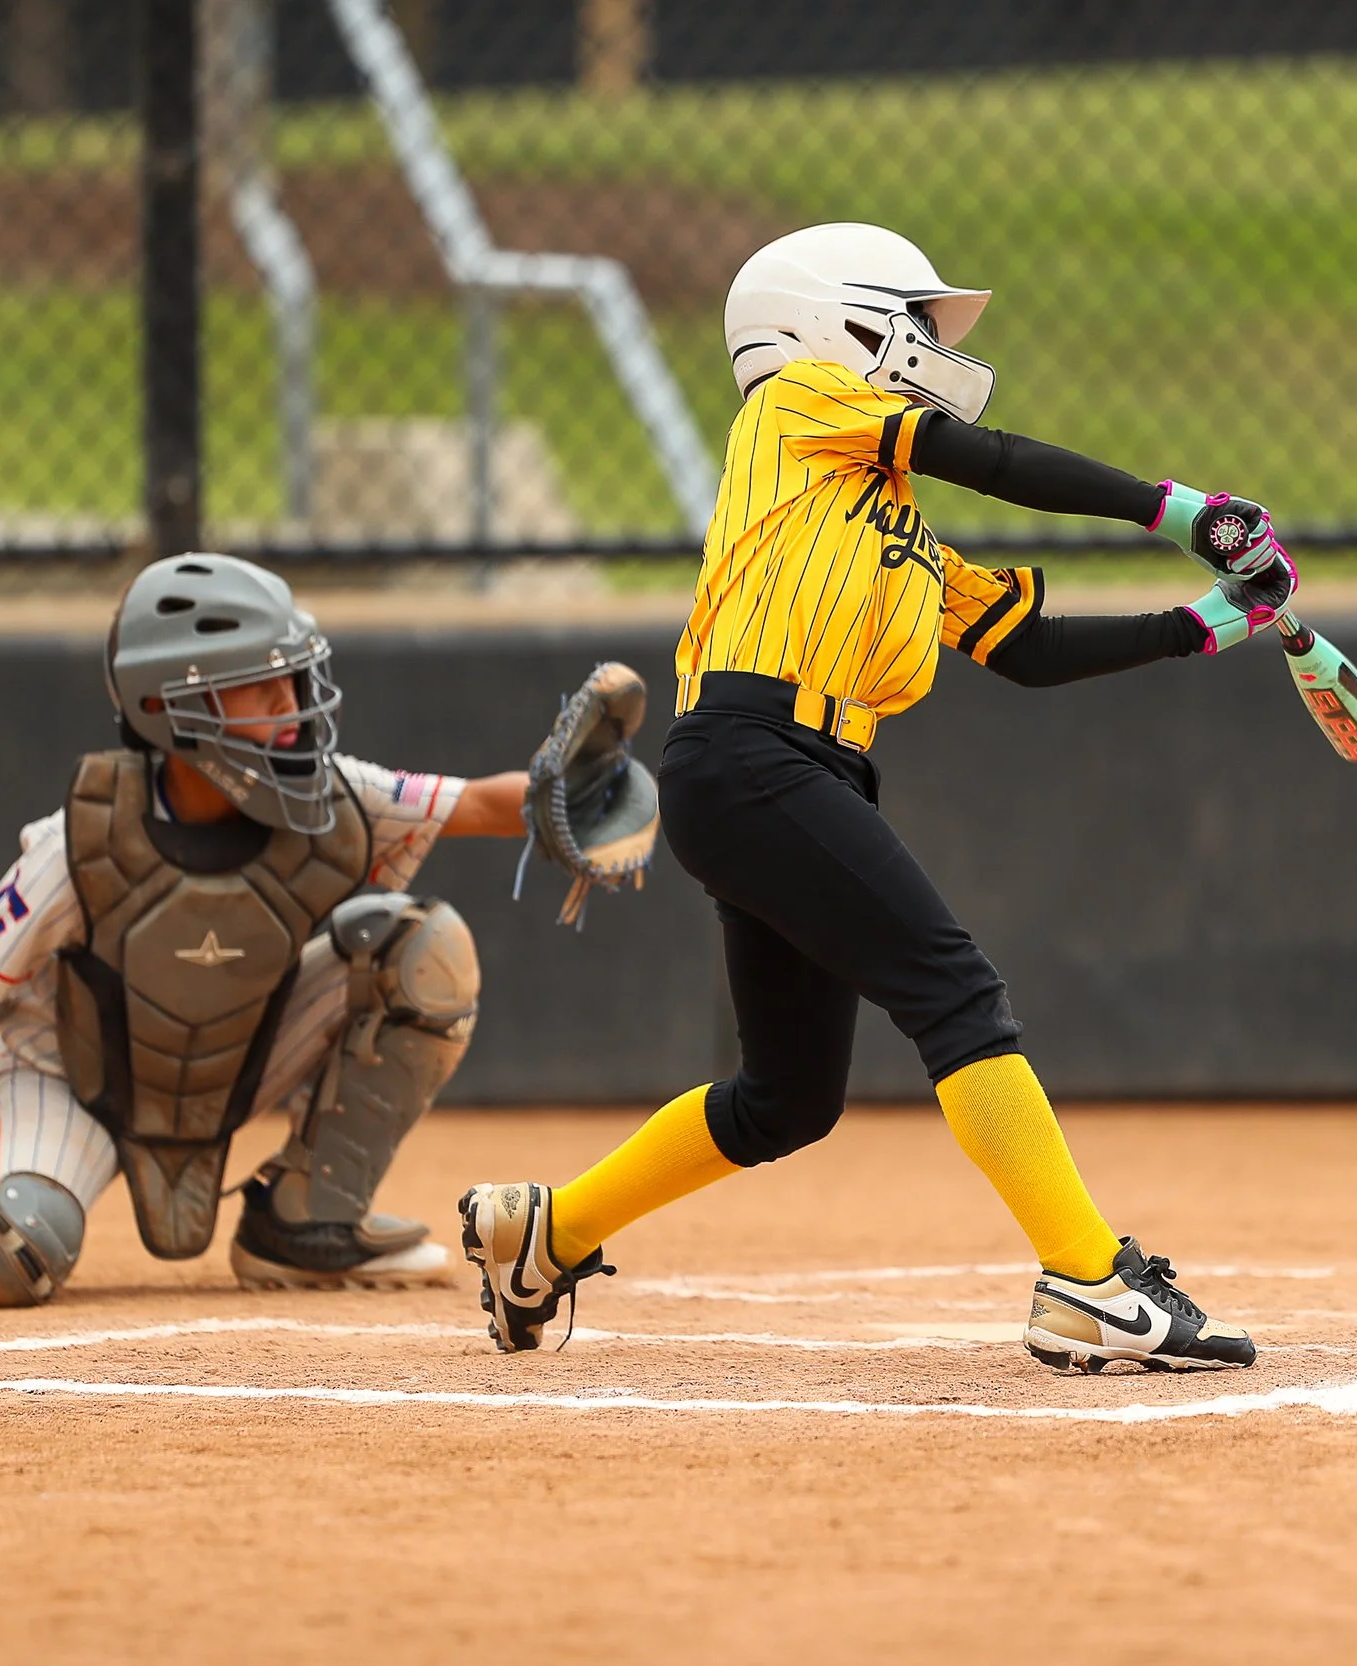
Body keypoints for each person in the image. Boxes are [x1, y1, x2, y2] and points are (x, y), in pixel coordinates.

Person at [461, 222, 1295, 1373]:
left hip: (793, 771)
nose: (929, 342)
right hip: (755, 753)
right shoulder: (794, 403)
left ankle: (545, 1231)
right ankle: (1087, 1279)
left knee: (785, 1099)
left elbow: (1025, 650)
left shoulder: (882, 511)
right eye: (912, 318)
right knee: (957, 994)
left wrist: (1206, 623)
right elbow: (990, 458)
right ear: (828, 319)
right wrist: (1181, 511)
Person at [0, 554, 531, 1308]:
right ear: (168, 708)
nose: (291, 703)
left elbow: (480, 803)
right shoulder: (84, 843)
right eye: (258, 686)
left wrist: (570, 797)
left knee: (426, 948)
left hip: (231, 1055)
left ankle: (306, 1222)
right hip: (76, 1076)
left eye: (293, 678)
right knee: (2, 1252)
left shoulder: (332, 794)